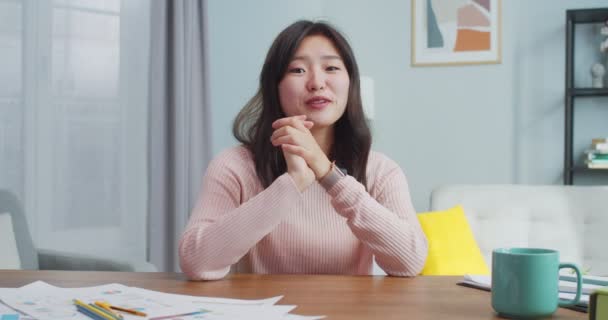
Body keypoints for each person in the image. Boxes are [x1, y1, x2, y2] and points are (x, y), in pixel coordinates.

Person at [179, 20, 428, 280]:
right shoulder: (235, 165)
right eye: (297, 70)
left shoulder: (380, 170)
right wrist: (293, 182)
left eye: (331, 67)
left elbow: (409, 262)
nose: (317, 82)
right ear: (275, 87)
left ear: (350, 83)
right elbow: (197, 263)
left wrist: (328, 175)